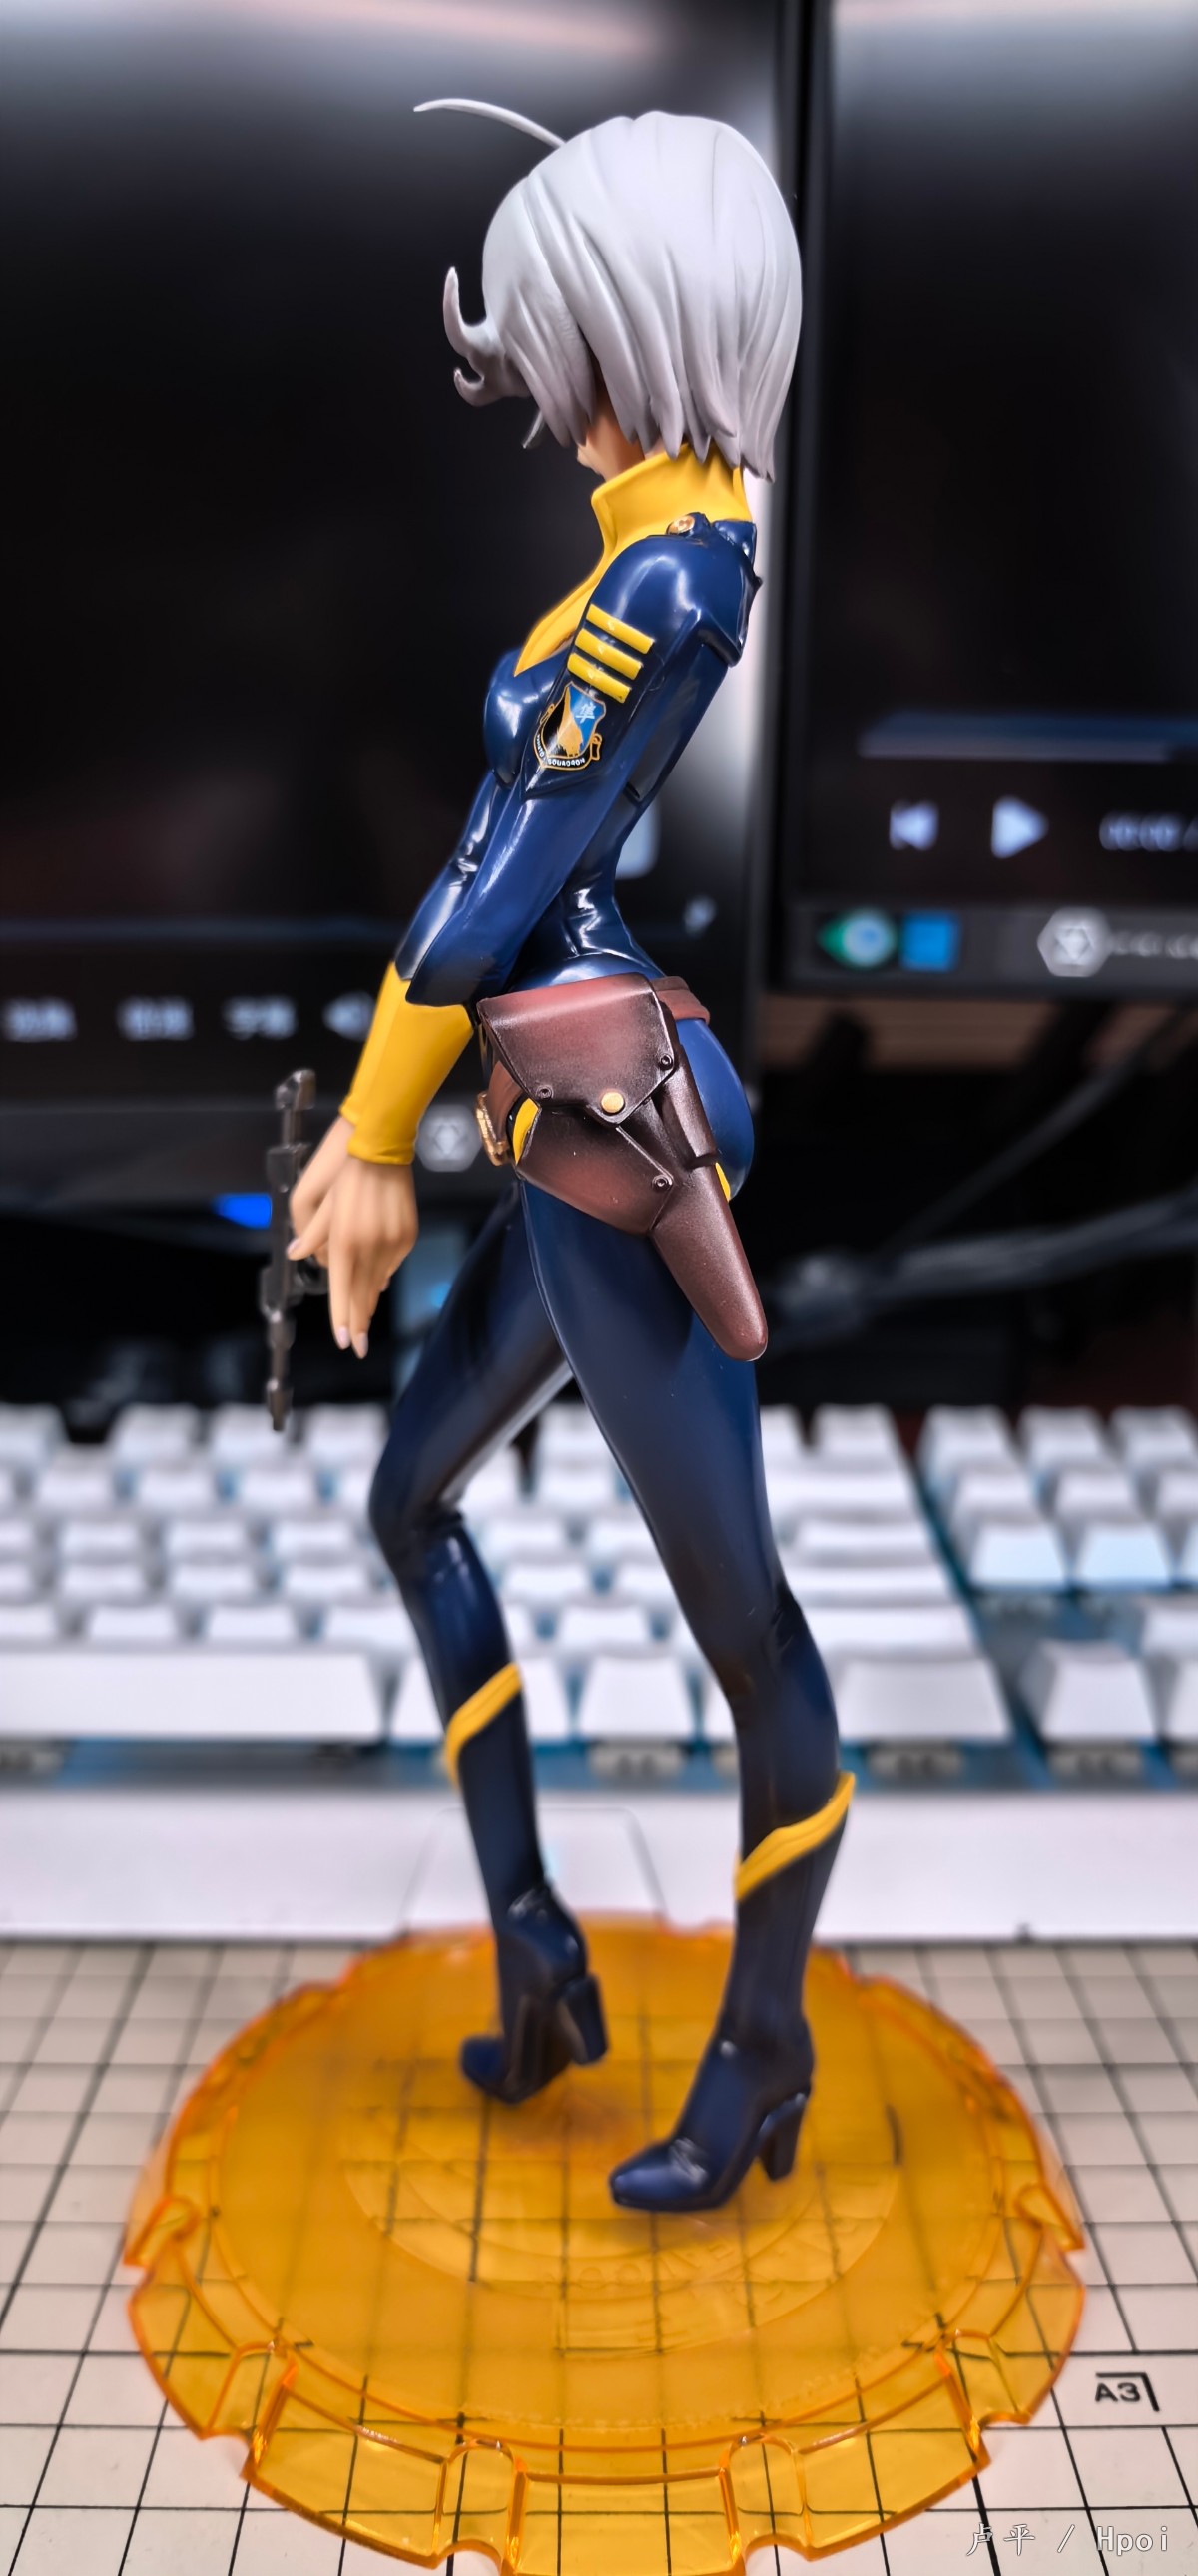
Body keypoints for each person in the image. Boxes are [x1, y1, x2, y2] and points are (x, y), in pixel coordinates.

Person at [289, 108, 853, 2215]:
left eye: (550, 334)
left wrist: (371, 1135)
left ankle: (765, 2046)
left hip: (615, 1144)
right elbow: (497, 855)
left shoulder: (670, 578)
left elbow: (501, 879)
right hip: (551, 1131)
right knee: (407, 1493)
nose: (532, 385)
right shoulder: (640, 556)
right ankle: (536, 1949)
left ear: (636, 315)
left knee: (747, 1633)